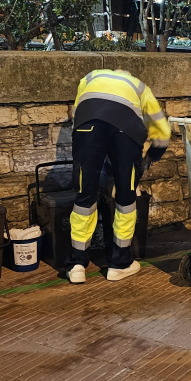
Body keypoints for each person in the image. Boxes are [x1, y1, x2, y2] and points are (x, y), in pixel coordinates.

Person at [67, 69, 171, 284]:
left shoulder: (89, 77)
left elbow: (77, 114)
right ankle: (119, 265)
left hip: (86, 126)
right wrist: (150, 157)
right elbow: (163, 133)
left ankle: (77, 265)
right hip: (126, 131)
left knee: (85, 197)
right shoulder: (140, 87)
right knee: (126, 198)